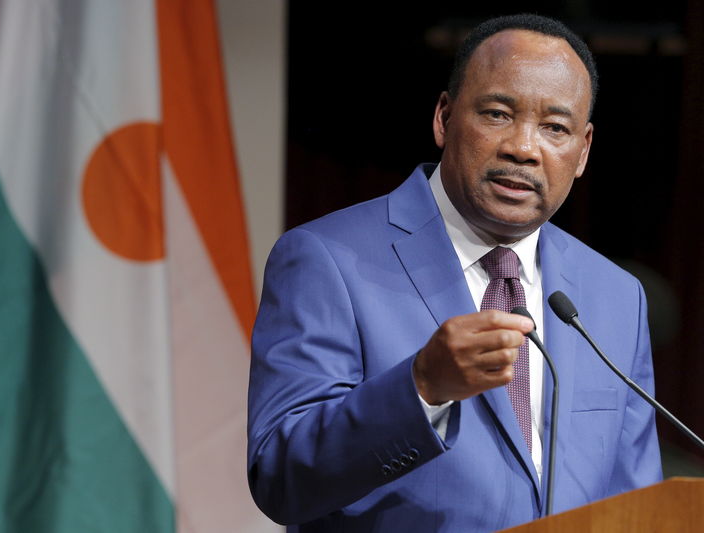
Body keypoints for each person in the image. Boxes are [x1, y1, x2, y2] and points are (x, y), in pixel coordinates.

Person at [247, 14, 662, 532]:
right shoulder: (325, 259)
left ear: (583, 150)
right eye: (496, 114)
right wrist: (422, 387)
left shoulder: (615, 295)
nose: (523, 148)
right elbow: (280, 477)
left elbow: (639, 505)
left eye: (555, 128)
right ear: (444, 118)